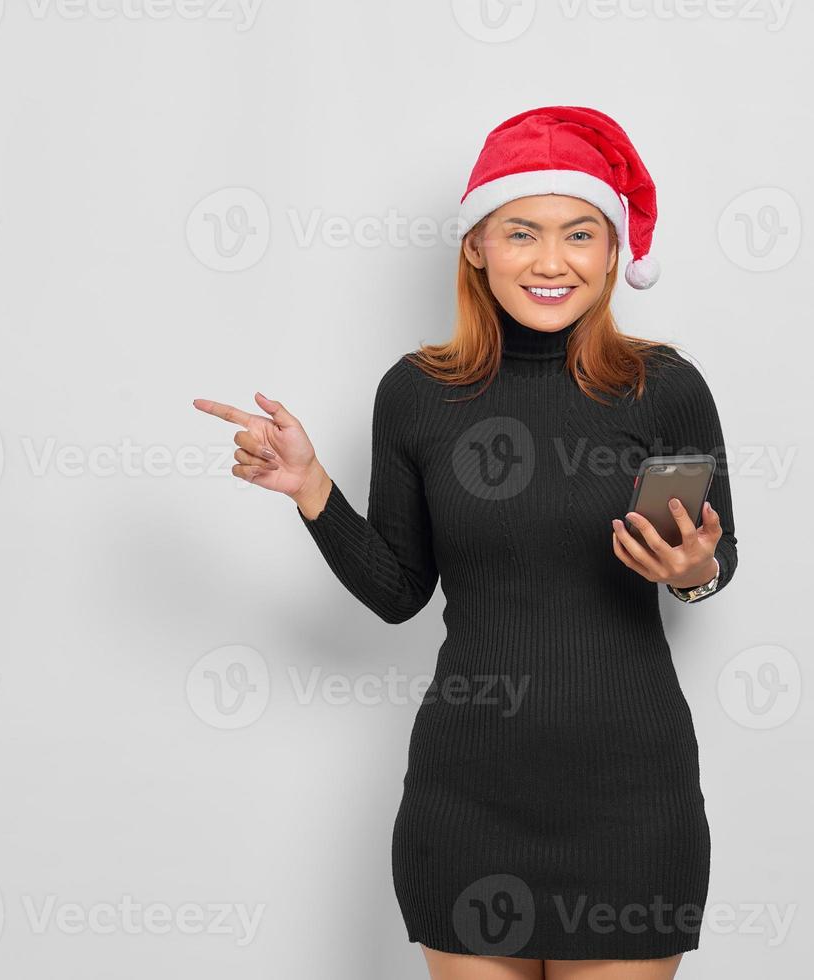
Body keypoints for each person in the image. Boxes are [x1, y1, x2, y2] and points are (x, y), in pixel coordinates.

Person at [193, 106, 739, 980]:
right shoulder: (415, 394)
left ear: (613, 253)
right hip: (470, 794)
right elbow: (401, 590)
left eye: (580, 235)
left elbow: (716, 564)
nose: (552, 261)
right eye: (522, 232)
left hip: (631, 799)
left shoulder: (664, 388)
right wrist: (311, 490)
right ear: (478, 246)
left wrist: (696, 572)